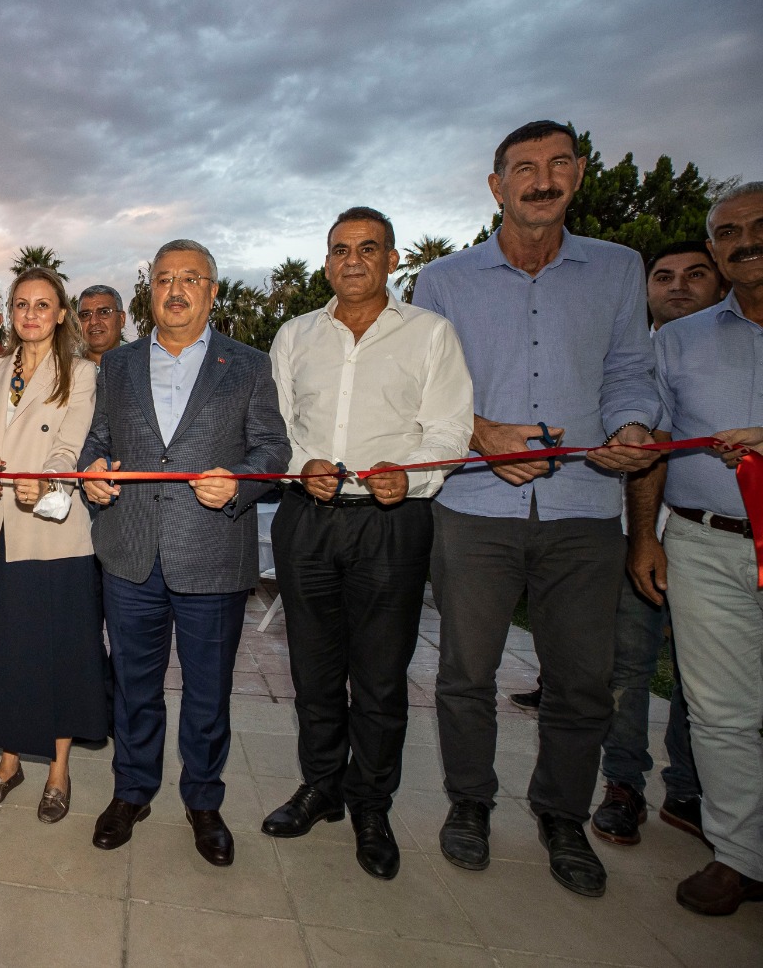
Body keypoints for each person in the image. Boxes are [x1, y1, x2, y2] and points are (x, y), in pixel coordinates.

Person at [413, 121, 663, 898]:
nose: (542, 180)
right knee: (464, 672)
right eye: (525, 168)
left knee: (582, 679)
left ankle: (560, 812)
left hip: (584, 506)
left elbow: (629, 369)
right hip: (475, 505)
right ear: (498, 186)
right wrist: (483, 433)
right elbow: (428, 393)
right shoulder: (445, 280)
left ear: (578, 175)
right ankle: (470, 802)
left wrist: (631, 425)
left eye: (558, 164)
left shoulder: (618, 271)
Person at [263, 209, 473, 880]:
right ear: (326, 262)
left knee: (380, 677)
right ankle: (322, 786)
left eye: (367, 249)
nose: (352, 260)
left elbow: (449, 428)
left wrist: (408, 475)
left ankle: (370, 804)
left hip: (391, 523)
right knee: (314, 670)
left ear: (391, 259)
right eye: (340, 250)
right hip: (308, 518)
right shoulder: (296, 335)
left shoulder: (430, 334)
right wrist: (302, 465)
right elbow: (277, 426)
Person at [80, 241, 290, 864]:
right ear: (150, 292)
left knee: (207, 692)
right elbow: (100, 438)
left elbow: (273, 451)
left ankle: (203, 800)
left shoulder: (248, 364)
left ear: (212, 290)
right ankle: (133, 791)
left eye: (189, 279)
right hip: (131, 553)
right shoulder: (116, 365)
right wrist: (93, 470)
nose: (175, 290)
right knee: (133, 687)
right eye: (164, 279)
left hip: (212, 553)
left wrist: (242, 482)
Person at [630, 182, 763, 915]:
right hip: (706, 542)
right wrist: (647, 537)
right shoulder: (677, 340)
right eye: (729, 231)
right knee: (720, 711)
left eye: (758, 226)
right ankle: (740, 856)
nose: (746, 240)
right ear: (716, 247)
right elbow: (652, 442)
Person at [0, 267, 105, 824]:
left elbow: (71, 445)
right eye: (22, 305)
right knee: (0, 656)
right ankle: (9, 762)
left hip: (51, 532)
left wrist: (46, 476)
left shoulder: (82, 372)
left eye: (43, 305)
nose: (31, 315)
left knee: (57, 655)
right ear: (10, 313)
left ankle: (59, 771)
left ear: (61, 313)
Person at [590, 241, 724, 847]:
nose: (677, 287)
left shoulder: (729, 356)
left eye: (695, 275)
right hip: (634, 535)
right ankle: (623, 786)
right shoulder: (626, 362)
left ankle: (690, 788)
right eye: (663, 277)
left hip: (712, 538)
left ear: (719, 284)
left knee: (705, 675)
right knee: (629, 669)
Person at [76, 284, 127, 367]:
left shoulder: (144, 363)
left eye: (104, 312)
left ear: (122, 319)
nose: (93, 321)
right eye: (85, 315)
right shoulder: (62, 367)